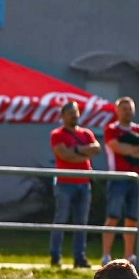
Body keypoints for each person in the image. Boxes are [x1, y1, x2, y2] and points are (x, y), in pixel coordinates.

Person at [49, 102, 102, 268]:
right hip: (65, 183)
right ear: (63, 116)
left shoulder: (86, 133)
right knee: (61, 220)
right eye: (70, 113)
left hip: (84, 183)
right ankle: (55, 256)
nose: (74, 115)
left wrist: (76, 151)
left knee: (81, 223)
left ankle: (80, 257)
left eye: (76, 112)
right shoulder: (57, 134)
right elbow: (64, 155)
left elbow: (97, 149)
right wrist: (83, 153)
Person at [101, 97, 139, 265]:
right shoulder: (111, 129)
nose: (127, 112)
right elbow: (118, 148)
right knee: (113, 216)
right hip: (117, 177)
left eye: (129, 108)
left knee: (132, 218)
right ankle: (106, 255)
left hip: (136, 180)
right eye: (124, 109)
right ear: (117, 111)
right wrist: (137, 149)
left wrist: (131, 151)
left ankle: (129, 256)